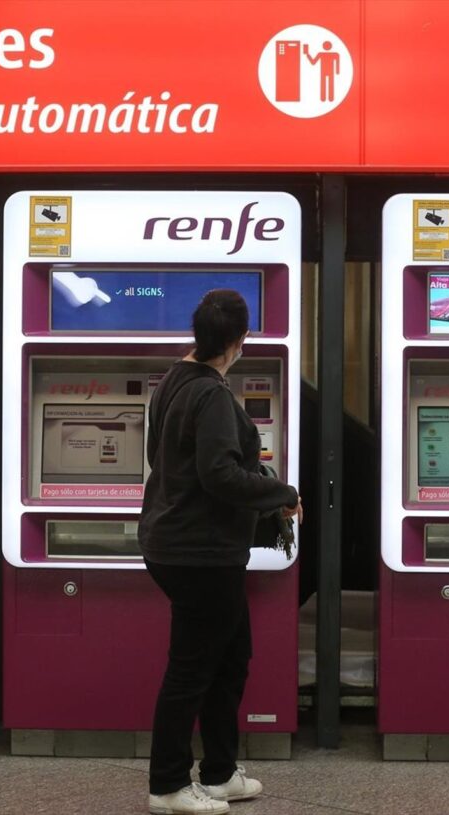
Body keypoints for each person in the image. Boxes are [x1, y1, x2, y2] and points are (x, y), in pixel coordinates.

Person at [138, 289, 303, 815]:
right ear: (238, 341)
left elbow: (161, 459)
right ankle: (167, 786)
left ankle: (219, 773)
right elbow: (219, 475)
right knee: (191, 670)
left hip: (183, 543)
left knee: (230, 659)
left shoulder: (172, 382)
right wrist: (283, 493)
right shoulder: (209, 394)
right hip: (198, 551)